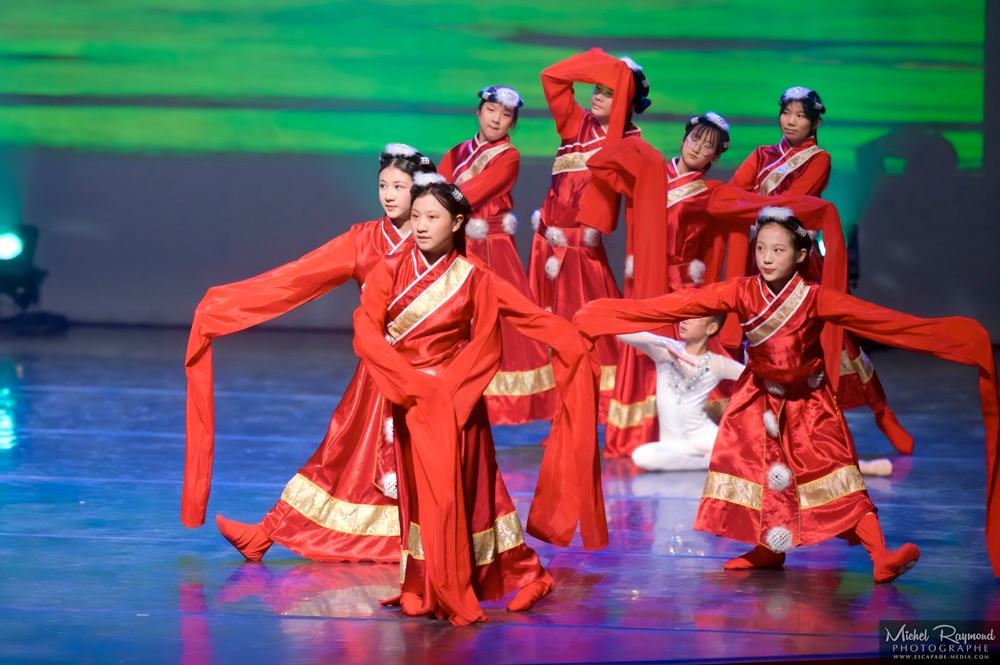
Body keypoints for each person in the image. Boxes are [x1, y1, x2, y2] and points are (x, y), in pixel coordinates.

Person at [574, 206, 1000, 582]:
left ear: (800, 255)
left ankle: (880, 554)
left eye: (778, 250)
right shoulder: (740, 291)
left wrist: (953, 337)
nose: (767, 257)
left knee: (837, 476)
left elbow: (882, 321)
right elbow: (679, 305)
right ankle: (768, 550)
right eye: (761, 249)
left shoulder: (815, 299)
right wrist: (607, 313)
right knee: (757, 476)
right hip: (756, 402)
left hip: (809, 405)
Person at [353, 174, 606, 625]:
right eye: (416, 217)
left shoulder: (474, 277)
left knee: (471, 494)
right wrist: (409, 386)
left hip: (455, 401)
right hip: (409, 397)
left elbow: (493, 340)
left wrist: (573, 342)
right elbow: (366, 331)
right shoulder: (388, 270)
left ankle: (523, 575)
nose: (422, 225)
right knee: (417, 492)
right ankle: (421, 580)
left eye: (433, 217)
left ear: (457, 223)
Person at [181, 144, 437, 563]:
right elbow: (295, 278)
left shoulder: (439, 236)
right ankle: (265, 533)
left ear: (420, 190)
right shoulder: (364, 239)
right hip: (378, 372)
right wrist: (221, 308)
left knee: (429, 461)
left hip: (429, 371)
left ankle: (435, 543)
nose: (389, 195)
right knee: (338, 456)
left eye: (400, 186)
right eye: (383, 186)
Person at [730, 87, 912, 456]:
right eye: (786, 113)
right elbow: (734, 192)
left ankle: (880, 414)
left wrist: (752, 205)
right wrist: (750, 207)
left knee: (835, 340)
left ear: (815, 122)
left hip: (799, 260)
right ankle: (763, 427)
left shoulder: (820, 158)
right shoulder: (762, 154)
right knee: (761, 339)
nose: (791, 121)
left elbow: (790, 205)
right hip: (762, 254)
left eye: (800, 116)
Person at [592, 113, 738, 456]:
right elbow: (604, 164)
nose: (698, 148)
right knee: (643, 354)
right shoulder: (653, 172)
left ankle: (682, 434)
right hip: (644, 281)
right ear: (684, 138)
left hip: (680, 289)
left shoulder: (710, 193)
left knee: (676, 362)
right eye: (695, 139)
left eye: (708, 147)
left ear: (715, 158)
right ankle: (637, 435)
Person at [527, 48, 651, 415]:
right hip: (544, 249)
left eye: (609, 91)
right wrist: (604, 64)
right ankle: (552, 409)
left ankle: (588, 408)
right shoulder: (573, 123)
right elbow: (552, 75)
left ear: (627, 99)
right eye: (597, 88)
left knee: (589, 337)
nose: (596, 95)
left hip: (581, 258)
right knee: (541, 334)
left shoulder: (633, 145)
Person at [438, 85, 556, 424]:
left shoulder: (508, 157)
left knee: (501, 324)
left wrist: (436, 201)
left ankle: (503, 403)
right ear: (479, 113)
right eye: (491, 111)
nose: (497, 119)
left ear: (512, 124)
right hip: (458, 243)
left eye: (506, 116)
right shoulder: (456, 152)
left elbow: (471, 192)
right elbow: (443, 188)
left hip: (491, 247)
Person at [618, 315, 744, 471]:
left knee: (743, 448)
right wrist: (663, 342)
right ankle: (708, 463)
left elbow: (752, 377)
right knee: (641, 455)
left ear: (711, 328)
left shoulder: (717, 363)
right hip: (672, 445)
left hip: (704, 436)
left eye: (694, 319)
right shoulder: (666, 350)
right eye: (685, 317)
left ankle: (716, 456)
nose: (684, 321)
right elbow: (621, 333)